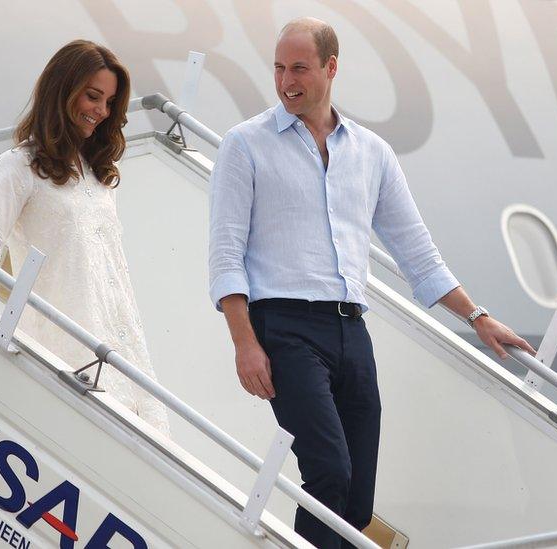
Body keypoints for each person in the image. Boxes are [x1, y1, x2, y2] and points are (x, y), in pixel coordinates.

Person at [208, 17, 535, 547]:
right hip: (284, 329)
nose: (286, 80)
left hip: (350, 332)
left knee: (357, 500)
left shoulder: (371, 153)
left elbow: (416, 252)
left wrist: (478, 317)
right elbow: (225, 253)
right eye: (278, 67)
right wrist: (244, 342)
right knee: (329, 471)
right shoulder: (245, 145)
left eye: (299, 68)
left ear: (331, 68)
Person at [0, 40, 170, 436]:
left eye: (108, 102)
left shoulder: (100, 176)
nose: (101, 111)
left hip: (123, 343)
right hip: (65, 350)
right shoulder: (20, 164)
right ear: (62, 89)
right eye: (92, 96)